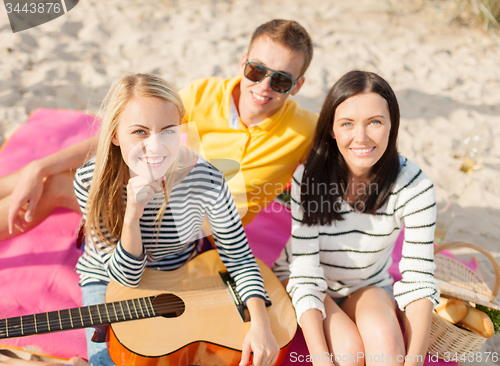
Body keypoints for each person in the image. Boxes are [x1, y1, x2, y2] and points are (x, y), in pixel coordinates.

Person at [1, 19, 317, 241]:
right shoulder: (203, 94)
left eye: (280, 80)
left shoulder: (305, 129)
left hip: (185, 232)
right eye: (257, 70)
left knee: (56, 186)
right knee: (49, 173)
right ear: (243, 62)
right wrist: (37, 166)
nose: (263, 86)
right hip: (152, 192)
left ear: (298, 85)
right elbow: (126, 136)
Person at [73, 72, 278, 366]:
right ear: (115, 134)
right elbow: (126, 279)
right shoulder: (89, 181)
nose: (155, 147)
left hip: (180, 275)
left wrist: (260, 323)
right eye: (140, 132)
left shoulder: (206, 179)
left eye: (168, 131)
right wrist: (132, 216)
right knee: (108, 361)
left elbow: (240, 258)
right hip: (108, 277)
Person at [273, 70, 439, 366]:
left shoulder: (416, 186)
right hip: (305, 279)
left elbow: (419, 280)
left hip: (368, 283)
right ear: (332, 130)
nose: (360, 138)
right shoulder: (309, 178)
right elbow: (306, 275)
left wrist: (414, 362)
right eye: (347, 124)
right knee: (349, 353)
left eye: (375, 122)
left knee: (387, 350)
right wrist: (322, 360)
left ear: (392, 125)